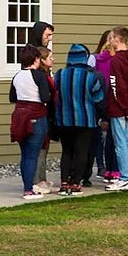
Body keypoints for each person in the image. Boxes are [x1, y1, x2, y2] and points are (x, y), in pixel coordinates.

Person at [53, 42, 105, 195]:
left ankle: (64, 183)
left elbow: (54, 96)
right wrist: (101, 116)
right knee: (82, 151)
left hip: (63, 119)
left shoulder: (59, 75)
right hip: (85, 120)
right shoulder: (91, 77)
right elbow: (99, 99)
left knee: (67, 151)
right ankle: (76, 183)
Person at [97, 27, 128, 190]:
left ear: (117, 38)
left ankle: (125, 177)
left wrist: (124, 108)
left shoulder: (116, 61)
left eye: (111, 37)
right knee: (127, 143)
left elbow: (116, 87)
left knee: (121, 144)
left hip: (119, 109)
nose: (109, 41)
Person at [9, 44, 53, 196]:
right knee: (32, 154)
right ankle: (29, 189)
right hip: (36, 115)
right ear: (36, 59)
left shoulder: (17, 76)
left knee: (25, 154)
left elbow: (12, 97)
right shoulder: (39, 76)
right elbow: (46, 97)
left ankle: (27, 186)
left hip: (19, 116)